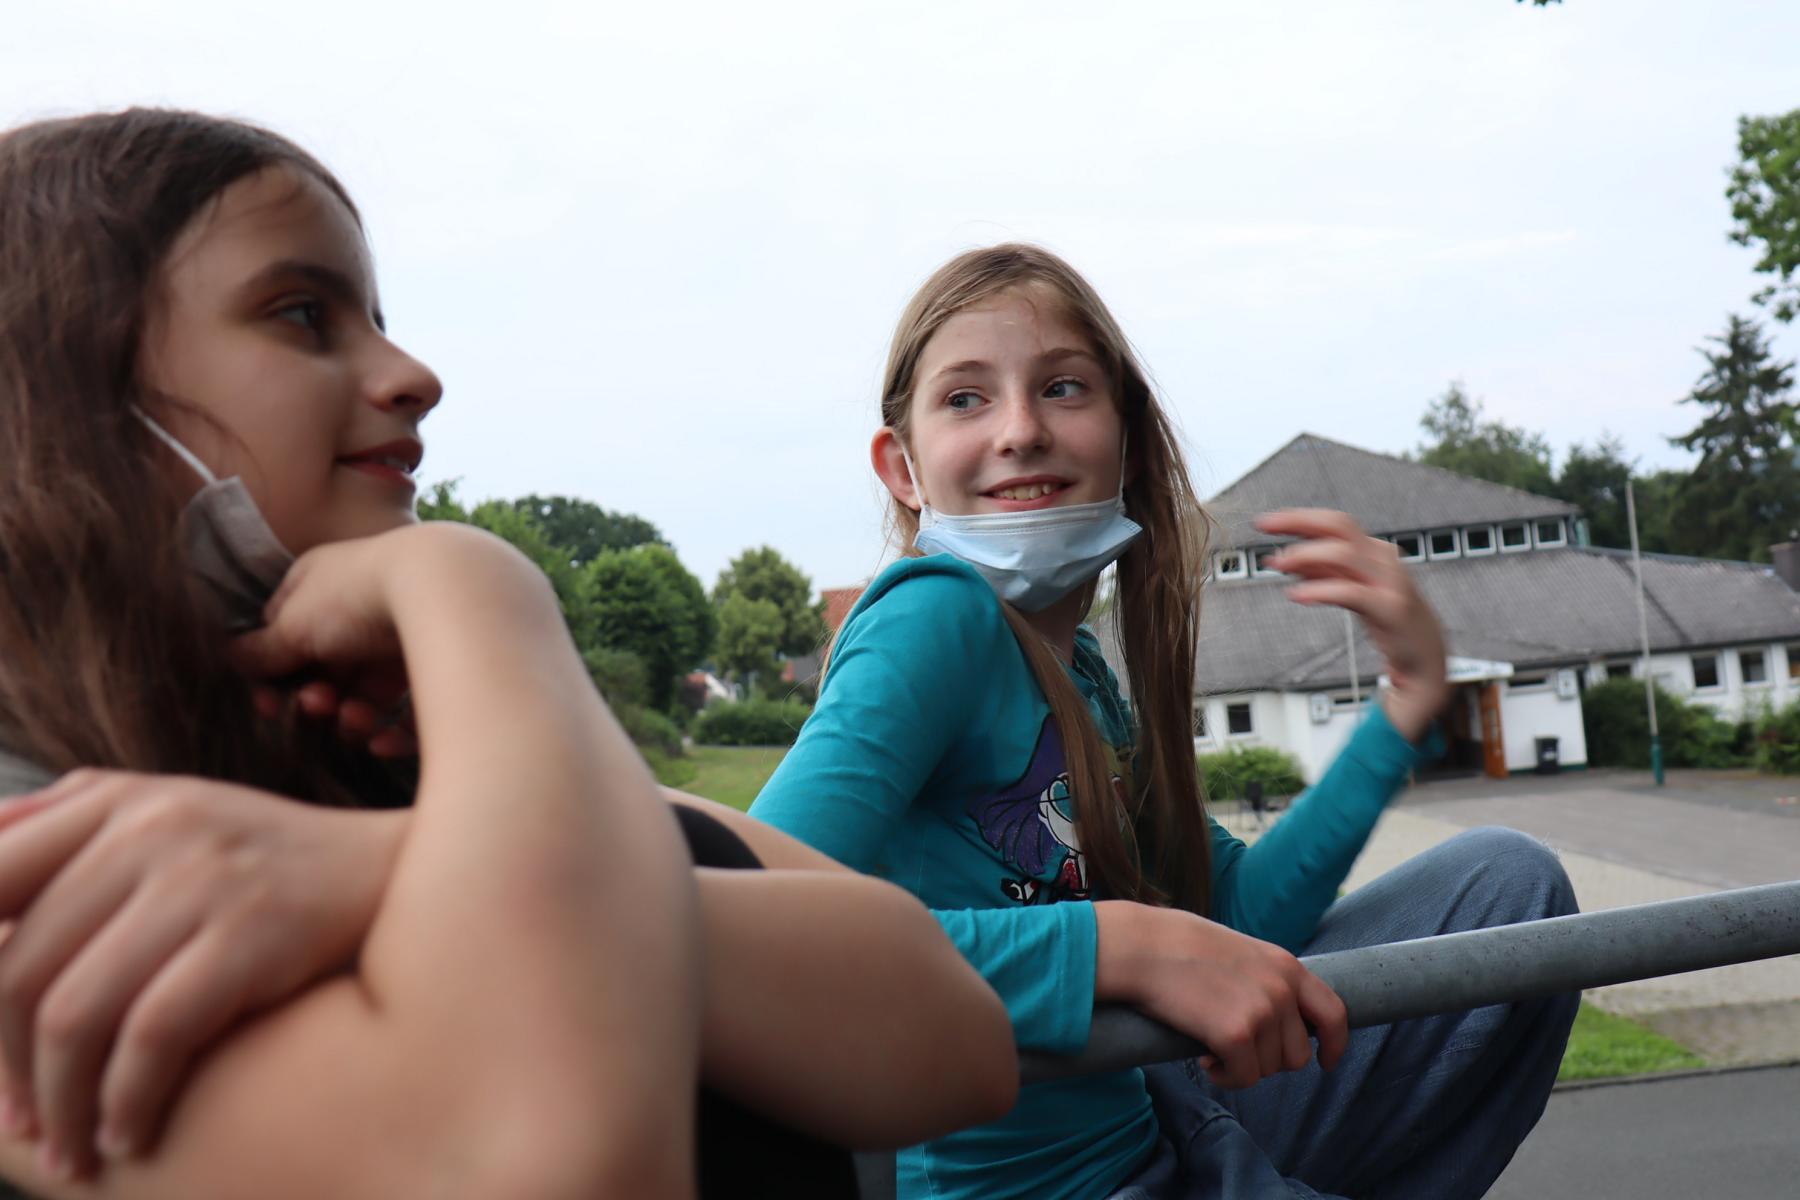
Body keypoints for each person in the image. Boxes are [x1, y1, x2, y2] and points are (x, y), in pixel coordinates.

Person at [0, 108, 1015, 1198]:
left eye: (377, 319)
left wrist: (383, 870)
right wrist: (475, 588)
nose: (414, 374)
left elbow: (955, 1036)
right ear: (67, 399)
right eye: (303, 314)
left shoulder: (448, 776)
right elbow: (561, 1162)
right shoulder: (34, 862)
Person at [747, 243, 1580, 1199]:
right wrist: (1120, 948)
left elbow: (1235, 919)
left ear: (1129, 440)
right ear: (903, 468)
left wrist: (1404, 704)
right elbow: (760, 925)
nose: (1020, 430)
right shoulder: (935, 618)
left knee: (1507, 884)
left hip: (1160, 1130)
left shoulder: (1083, 673)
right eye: (966, 398)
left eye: (1062, 387)